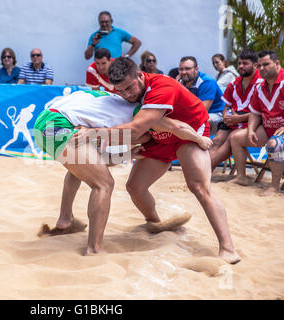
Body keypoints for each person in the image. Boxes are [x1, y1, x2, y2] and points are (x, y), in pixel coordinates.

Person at [34, 89, 210, 255]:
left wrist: (126, 154)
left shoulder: (106, 101)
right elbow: (176, 127)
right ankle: (94, 248)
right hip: (58, 127)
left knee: (78, 171)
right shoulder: (141, 115)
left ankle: (65, 220)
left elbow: (93, 162)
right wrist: (200, 139)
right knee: (104, 184)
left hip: (43, 123)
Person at [102, 57, 240, 264]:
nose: (126, 95)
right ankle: (155, 223)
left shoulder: (162, 85)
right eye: (120, 91)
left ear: (140, 76)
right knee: (135, 187)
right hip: (160, 136)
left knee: (199, 187)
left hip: (191, 131)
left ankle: (228, 248)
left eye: (130, 88)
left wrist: (93, 134)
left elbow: (141, 129)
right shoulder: (123, 90)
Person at [229, 50, 284, 196]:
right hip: (268, 128)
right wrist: (250, 130)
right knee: (236, 138)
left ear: (277, 64)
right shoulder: (259, 87)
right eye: (259, 65)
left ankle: (274, 187)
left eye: (266, 64)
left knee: (275, 144)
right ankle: (241, 177)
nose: (262, 68)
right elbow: (255, 113)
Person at [209, 50, 263, 170]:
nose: (241, 66)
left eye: (245, 63)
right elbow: (227, 106)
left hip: (252, 122)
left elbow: (263, 113)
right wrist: (226, 116)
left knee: (230, 140)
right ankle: (205, 171)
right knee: (217, 140)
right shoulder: (234, 83)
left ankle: (203, 170)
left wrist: (238, 118)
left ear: (255, 65)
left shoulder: (262, 83)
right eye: (239, 63)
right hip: (233, 119)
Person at [179, 56, 225, 132]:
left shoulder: (207, 82)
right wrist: (177, 86)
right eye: (181, 69)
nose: (183, 72)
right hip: (194, 112)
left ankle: (201, 142)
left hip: (216, 113)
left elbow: (202, 111)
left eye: (187, 69)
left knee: (197, 122)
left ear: (196, 69)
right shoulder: (181, 82)